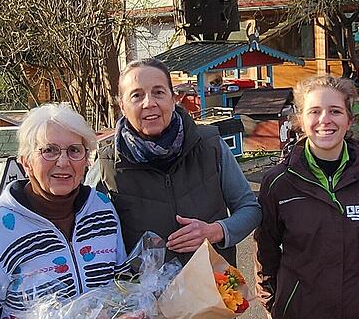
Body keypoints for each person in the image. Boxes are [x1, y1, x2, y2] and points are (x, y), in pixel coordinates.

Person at [0, 103, 126, 318]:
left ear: (86, 161)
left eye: (74, 151)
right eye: (49, 150)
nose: (63, 162)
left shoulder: (102, 210)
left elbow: (121, 283)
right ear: (26, 162)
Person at [254, 75, 359, 319]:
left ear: (349, 119)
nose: (325, 120)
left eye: (335, 111)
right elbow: (265, 249)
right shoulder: (278, 183)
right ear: (300, 119)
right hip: (299, 309)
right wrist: (272, 300)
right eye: (314, 111)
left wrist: (357, 274)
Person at [92, 58, 261, 266]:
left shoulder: (210, 145)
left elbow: (250, 209)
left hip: (213, 288)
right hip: (145, 295)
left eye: (158, 92)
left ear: (173, 99)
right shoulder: (107, 162)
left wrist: (216, 231)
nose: (149, 103)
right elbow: (89, 234)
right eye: (136, 95)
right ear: (122, 106)